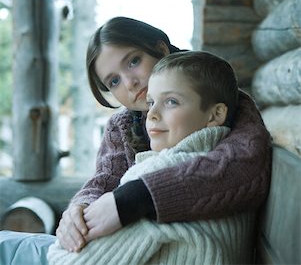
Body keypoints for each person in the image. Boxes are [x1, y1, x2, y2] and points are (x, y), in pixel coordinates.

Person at [0, 16, 271, 264]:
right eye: (114, 81)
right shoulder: (122, 126)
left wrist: (134, 199)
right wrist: (78, 211)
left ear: (161, 50)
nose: (129, 82)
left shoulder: (219, 101)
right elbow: (103, 180)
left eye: (133, 61)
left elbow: (244, 167)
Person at [47, 51, 256, 265]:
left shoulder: (159, 172)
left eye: (171, 102)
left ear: (214, 115)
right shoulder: (216, 161)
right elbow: (105, 177)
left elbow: (69, 260)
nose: (152, 114)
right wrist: (80, 207)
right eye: (151, 102)